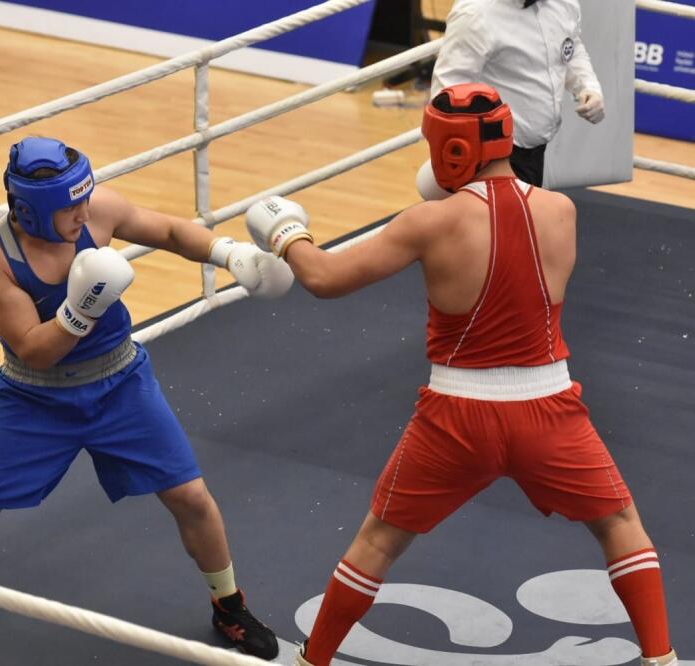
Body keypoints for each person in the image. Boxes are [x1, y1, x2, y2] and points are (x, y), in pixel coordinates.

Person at [245, 84, 677, 666]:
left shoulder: (429, 223)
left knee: (379, 540)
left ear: (450, 150)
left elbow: (324, 278)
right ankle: (661, 660)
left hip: (456, 418)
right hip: (549, 410)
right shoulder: (561, 211)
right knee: (620, 524)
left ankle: (312, 661)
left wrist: (286, 234)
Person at [0, 136, 288, 659]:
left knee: (190, 496)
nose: (84, 214)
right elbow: (34, 349)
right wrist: (81, 308)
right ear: (31, 210)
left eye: (84, 199)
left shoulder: (95, 210)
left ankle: (229, 604)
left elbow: (168, 230)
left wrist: (229, 253)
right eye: (70, 207)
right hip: (35, 399)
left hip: (120, 384)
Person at [424, 0, 605, 187]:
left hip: (535, 153)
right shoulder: (476, 13)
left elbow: (570, 43)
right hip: (489, 159)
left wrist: (587, 86)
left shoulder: (564, 3)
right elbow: (446, 97)